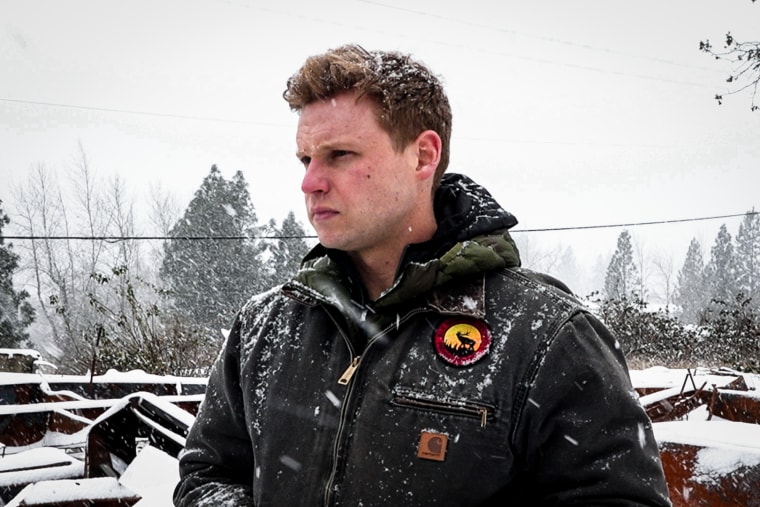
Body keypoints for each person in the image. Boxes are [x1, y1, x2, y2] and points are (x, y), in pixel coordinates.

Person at [174, 44, 672, 506]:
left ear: (423, 155)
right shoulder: (267, 326)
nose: (310, 182)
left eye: (339, 155)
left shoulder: (544, 337)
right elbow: (208, 475)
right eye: (306, 158)